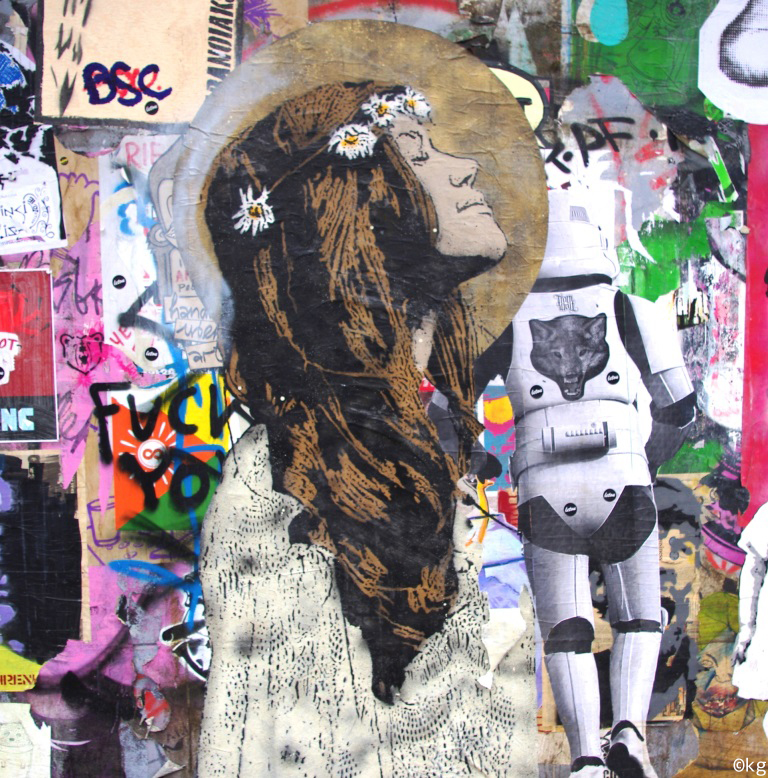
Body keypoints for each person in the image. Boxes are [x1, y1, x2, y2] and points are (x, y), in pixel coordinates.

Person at [196, 82, 538, 775]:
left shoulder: (442, 425)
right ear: (350, 213)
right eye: (416, 152)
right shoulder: (283, 477)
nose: (465, 167)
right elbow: (259, 744)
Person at [467, 189, 696, 778]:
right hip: (624, 477)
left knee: (566, 633)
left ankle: (586, 759)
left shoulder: (500, 322)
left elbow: (450, 402)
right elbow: (680, 408)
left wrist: (478, 461)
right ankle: (630, 734)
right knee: (638, 618)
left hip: (545, 489)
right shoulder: (631, 310)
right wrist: (644, 462)